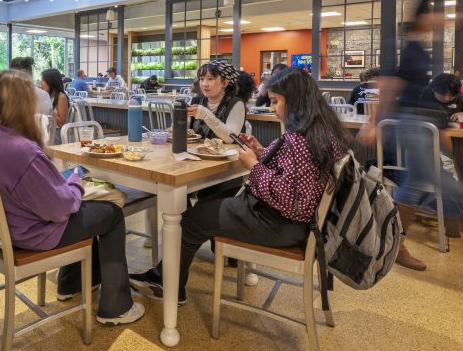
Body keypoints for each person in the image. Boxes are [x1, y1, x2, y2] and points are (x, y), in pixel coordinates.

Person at [130, 68, 348, 304]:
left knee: (189, 221)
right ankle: (169, 276)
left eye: (275, 101)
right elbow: (294, 178)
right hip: (296, 222)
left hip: (282, 224)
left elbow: (292, 200)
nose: (271, 107)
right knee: (206, 207)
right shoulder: (319, 132)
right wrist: (261, 151)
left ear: (295, 101)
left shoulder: (298, 140)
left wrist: (254, 166)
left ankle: (167, 284)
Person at [0, 70, 144, 325]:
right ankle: (116, 306)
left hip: (0, 228)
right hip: (31, 234)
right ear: (22, 103)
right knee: (110, 214)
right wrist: (75, 183)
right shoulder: (20, 149)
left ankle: (72, 283)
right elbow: (59, 209)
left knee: (91, 208)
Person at [358, 0, 463, 271]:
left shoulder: (419, 47)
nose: (443, 20)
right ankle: (389, 238)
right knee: (452, 189)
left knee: (418, 184)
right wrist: (374, 123)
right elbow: (390, 86)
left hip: (417, 121)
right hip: (406, 121)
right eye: (438, 15)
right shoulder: (409, 47)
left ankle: (393, 241)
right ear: (424, 17)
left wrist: (440, 127)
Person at [188, 60, 246, 142]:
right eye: (201, 79)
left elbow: (230, 138)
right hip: (196, 152)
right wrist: (180, 118)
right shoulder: (196, 100)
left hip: (228, 153)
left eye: (210, 79)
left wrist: (205, 114)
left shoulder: (236, 103)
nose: (204, 84)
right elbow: (186, 133)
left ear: (225, 83)